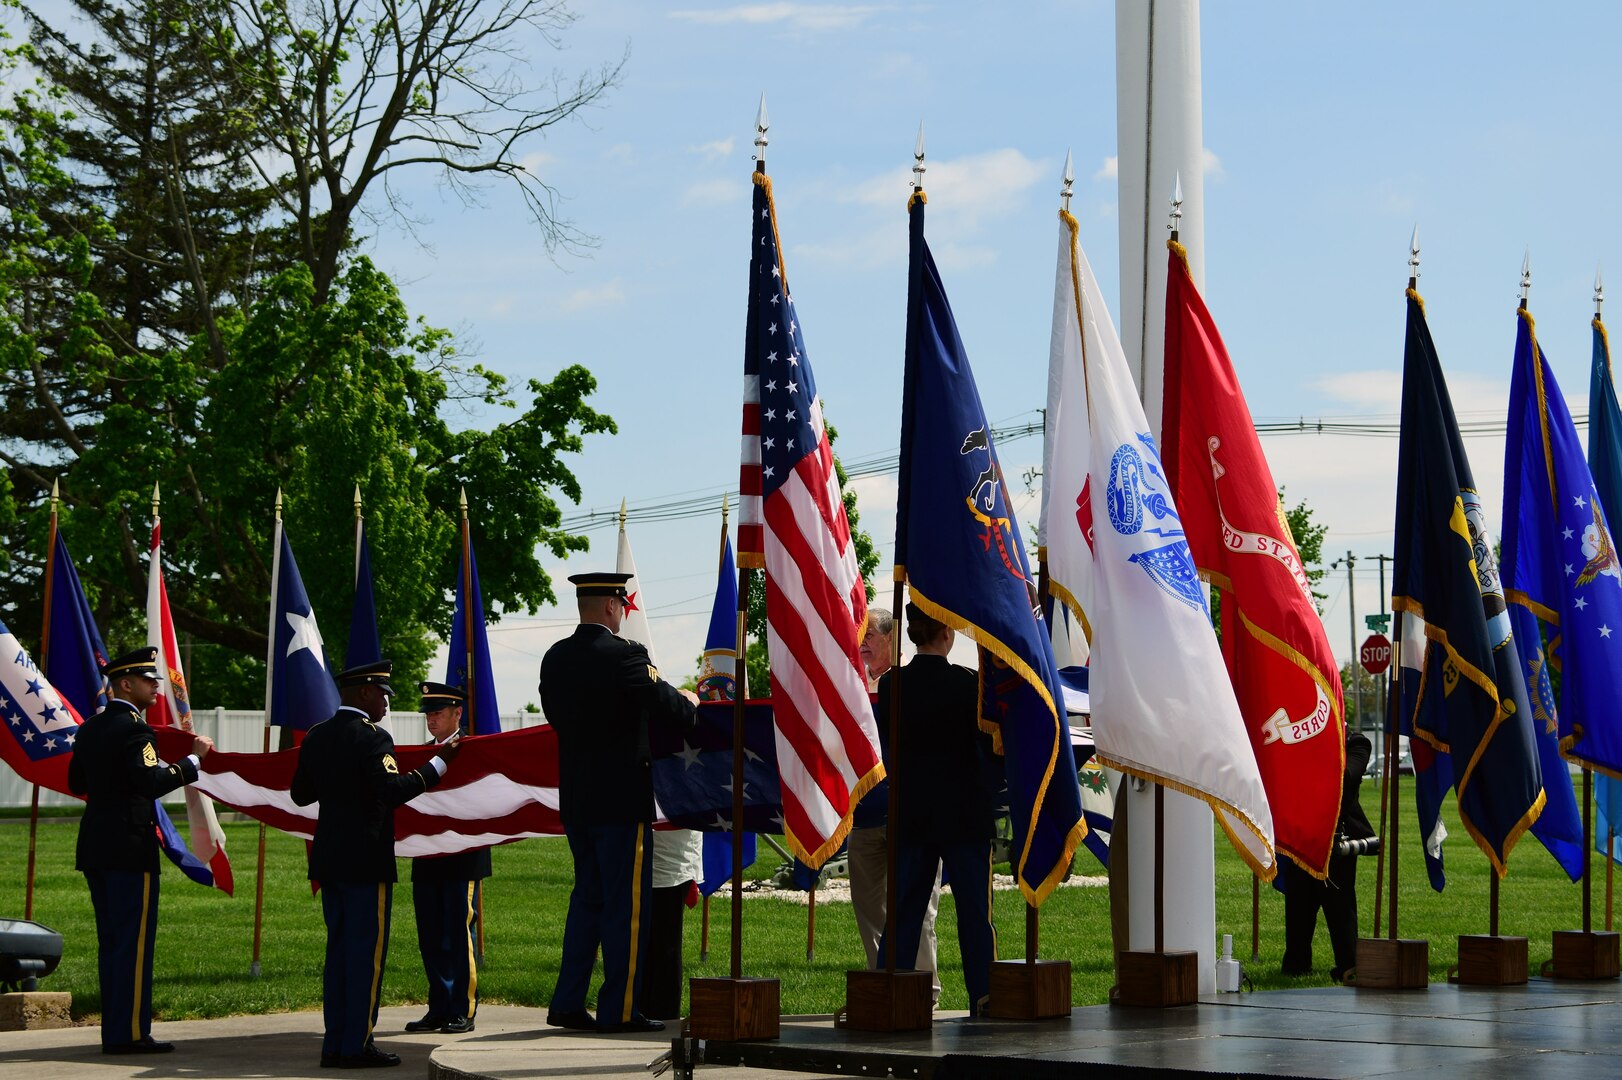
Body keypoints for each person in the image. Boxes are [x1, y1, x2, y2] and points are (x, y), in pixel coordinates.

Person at [540, 571, 699, 1034]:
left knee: (586, 901)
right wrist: (689, 701)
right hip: (621, 803)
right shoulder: (627, 656)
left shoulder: (555, 659)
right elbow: (671, 707)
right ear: (612, 606)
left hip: (577, 801)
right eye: (623, 606)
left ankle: (568, 1002)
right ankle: (622, 1009)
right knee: (626, 910)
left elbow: (556, 717)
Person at [291, 659, 460, 1069]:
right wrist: (438, 765)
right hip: (366, 861)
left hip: (329, 860)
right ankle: (356, 1045)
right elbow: (392, 790)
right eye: (383, 694)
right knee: (365, 956)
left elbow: (300, 795)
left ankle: (335, 1043)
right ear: (364, 692)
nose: (386, 703)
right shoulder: (373, 739)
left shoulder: (317, 736)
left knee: (339, 954)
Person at [69, 646, 213, 1055]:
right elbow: (151, 782)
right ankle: (130, 1034)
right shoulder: (135, 729)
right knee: (132, 943)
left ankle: (117, 1031)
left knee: (112, 942)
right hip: (129, 847)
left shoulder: (90, 729)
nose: (155, 686)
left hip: (96, 845)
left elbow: (77, 779)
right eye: (149, 680)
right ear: (125, 684)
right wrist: (192, 761)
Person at [877, 603, 998, 1016]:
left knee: (905, 912)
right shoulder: (969, 685)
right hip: (964, 816)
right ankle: (983, 996)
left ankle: (887, 997)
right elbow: (989, 751)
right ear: (947, 634)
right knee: (974, 914)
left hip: (912, 813)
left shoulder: (891, 686)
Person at [847, 608, 941, 1002]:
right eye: (861, 635)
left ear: (892, 640)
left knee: (918, 911)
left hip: (910, 817)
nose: (863, 641)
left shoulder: (909, 686)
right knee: (869, 910)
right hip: (865, 819)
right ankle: (885, 985)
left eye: (871, 634)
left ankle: (924, 991)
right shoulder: (847, 691)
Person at [403, 682, 490, 1036]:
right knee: (431, 934)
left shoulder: (475, 751)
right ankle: (439, 1006)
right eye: (427, 713)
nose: (431, 719)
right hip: (426, 854)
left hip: (462, 857)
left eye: (438, 713)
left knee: (457, 931)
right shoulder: (420, 756)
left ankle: (463, 1007)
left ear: (458, 713)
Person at [1280, 729, 1375, 982]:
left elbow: (1346, 776)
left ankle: (1348, 965)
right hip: (1304, 834)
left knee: (1340, 908)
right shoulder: (1300, 738)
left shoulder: (1356, 743)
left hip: (1338, 838)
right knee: (1299, 906)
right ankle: (1297, 964)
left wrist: (1317, 747)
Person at [643, 829, 702, 1020]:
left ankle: (664, 1011)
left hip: (671, 861)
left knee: (666, 945)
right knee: (649, 944)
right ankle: (644, 1006)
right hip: (650, 857)